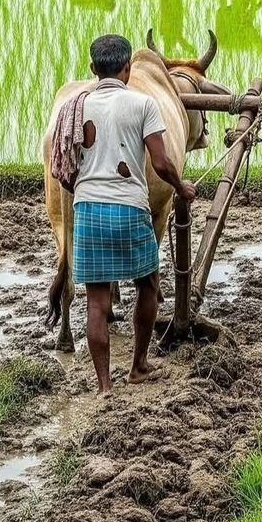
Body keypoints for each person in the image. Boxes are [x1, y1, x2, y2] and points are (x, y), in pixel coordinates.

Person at [57, 34, 196, 393]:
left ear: (92, 69)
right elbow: (162, 162)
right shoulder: (143, 104)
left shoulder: (74, 106)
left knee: (97, 300)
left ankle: (104, 385)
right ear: (128, 69)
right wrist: (181, 188)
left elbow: (63, 165)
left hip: (87, 211)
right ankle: (137, 366)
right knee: (148, 286)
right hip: (131, 209)